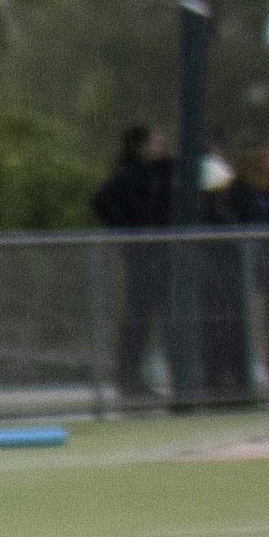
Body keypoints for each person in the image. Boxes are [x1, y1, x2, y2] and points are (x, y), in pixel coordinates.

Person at [89, 120, 179, 407]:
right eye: (154, 143)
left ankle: (149, 376)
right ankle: (130, 377)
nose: (160, 149)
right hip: (145, 255)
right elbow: (102, 200)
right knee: (141, 316)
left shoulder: (155, 174)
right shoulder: (133, 174)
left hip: (156, 253)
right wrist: (131, 230)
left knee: (155, 315)